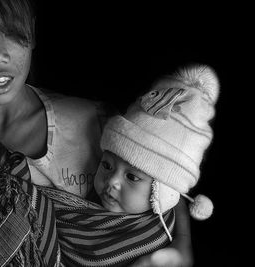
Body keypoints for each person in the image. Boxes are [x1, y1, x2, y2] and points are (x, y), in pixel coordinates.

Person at [0, 0, 194, 266]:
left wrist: (182, 245)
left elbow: (164, 177)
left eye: (10, 31)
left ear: (31, 33)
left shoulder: (97, 120)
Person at [93, 64, 218, 265]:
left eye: (132, 177)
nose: (112, 181)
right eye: (107, 165)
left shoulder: (159, 242)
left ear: (161, 194)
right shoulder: (78, 211)